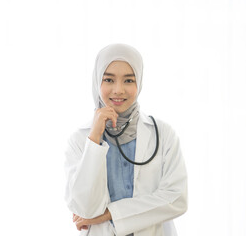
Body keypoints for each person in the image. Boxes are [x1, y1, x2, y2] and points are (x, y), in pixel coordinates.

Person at [64, 43, 187, 236]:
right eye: (109, 79)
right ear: (98, 82)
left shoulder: (163, 134)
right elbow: (84, 210)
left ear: (140, 82)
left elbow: (177, 199)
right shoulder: (81, 139)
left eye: (129, 81)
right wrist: (95, 138)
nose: (118, 90)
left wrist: (109, 214)